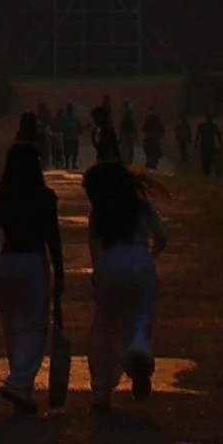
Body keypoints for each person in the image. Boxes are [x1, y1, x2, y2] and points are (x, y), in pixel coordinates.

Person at [0, 119, 64, 408]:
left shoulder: (1, 197)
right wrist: (60, 273)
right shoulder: (44, 197)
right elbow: (52, 237)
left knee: (13, 326)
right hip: (33, 260)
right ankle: (18, 381)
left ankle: (24, 387)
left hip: (7, 260)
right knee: (34, 326)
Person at [85, 127, 166, 406]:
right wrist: (149, 258)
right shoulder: (142, 205)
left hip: (109, 261)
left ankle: (101, 387)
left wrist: (98, 272)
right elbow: (162, 237)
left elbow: (93, 244)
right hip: (138, 257)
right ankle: (138, 349)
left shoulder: (100, 209)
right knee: (141, 316)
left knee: (105, 324)